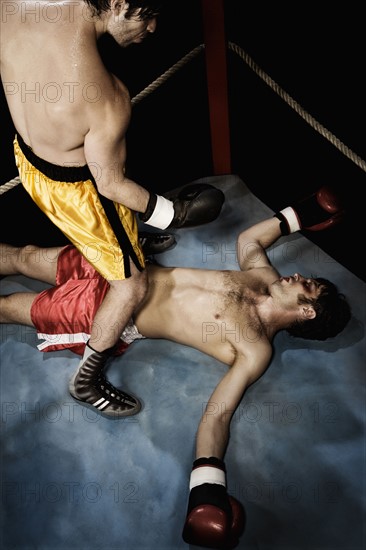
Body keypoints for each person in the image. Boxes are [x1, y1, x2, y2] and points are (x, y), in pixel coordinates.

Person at [0, 187, 351, 548]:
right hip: (124, 269)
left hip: (104, 316)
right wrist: (301, 212)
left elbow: (216, 416)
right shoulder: (262, 277)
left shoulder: (254, 347)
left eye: (305, 285)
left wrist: (207, 493)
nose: (295, 276)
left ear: (306, 312)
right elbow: (250, 238)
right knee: (23, 256)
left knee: (8, 307)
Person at [0, 0, 225, 417]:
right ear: (120, 4)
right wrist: (171, 212)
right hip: (81, 194)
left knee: (117, 239)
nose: (154, 28)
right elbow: (111, 184)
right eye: (149, 15)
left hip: (26, 158)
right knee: (131, 285)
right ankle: (86, 380)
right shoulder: (107, 99)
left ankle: (126, 244)